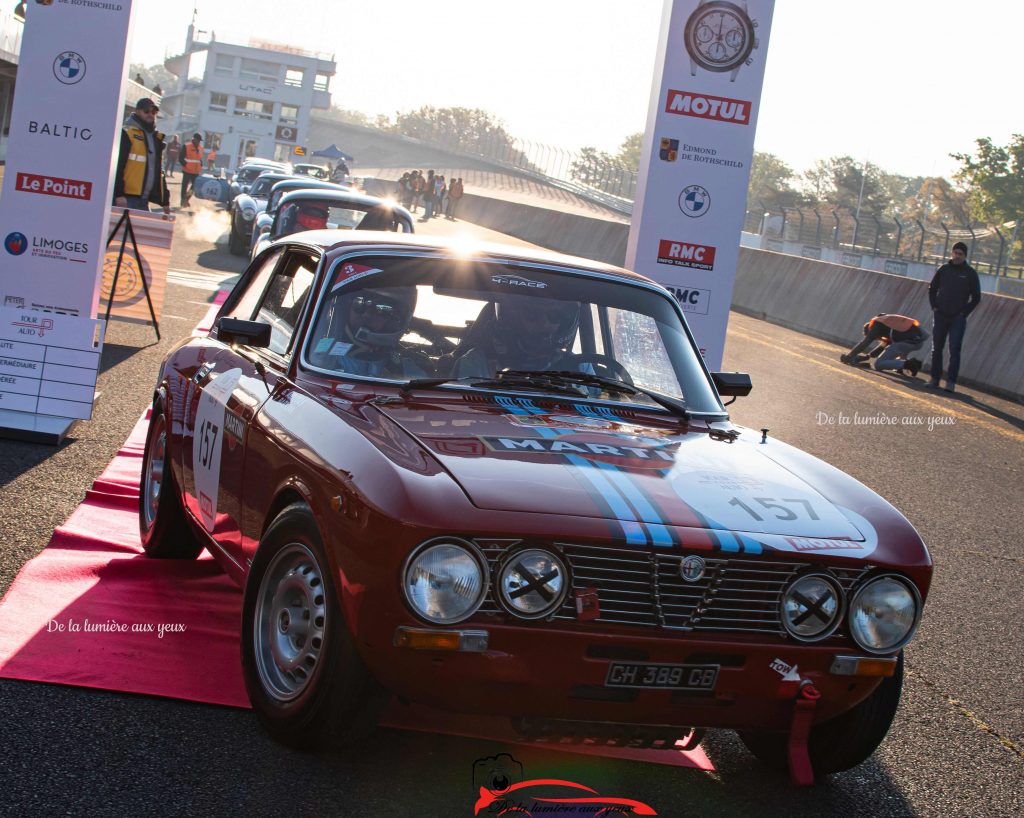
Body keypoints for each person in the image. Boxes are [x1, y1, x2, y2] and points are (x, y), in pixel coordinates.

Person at [452, 294, 581, 378]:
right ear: (511, 317)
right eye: (532, 314)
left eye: (555, 315)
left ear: (564, 322)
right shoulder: (476, 363)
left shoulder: (579, 367)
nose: (544, 323)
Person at [310, 286, 428, 378]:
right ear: (347, 307)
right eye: (359, 303)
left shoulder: (409, 374)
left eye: (382, 309)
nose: (366, 314)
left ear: (396, 319)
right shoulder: (316, 356)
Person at [926, 241, 981, 392]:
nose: (957, 256)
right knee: (936, 348)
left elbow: (976, 297)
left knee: (954, 349)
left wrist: (964, 313)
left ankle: (951, 382)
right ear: (952, 253)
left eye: (960, 254)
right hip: (940, 315)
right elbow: (932, 289)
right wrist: (935, 307)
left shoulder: (970, 273)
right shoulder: (943, 269)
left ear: (965, 256)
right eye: (955, 253)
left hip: (957, 318)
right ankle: (934, 379)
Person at [112, 98, 169, 214]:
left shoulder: (156, 138)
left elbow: (159, 171)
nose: (150, 115)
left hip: (144, 199)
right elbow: (117, 166)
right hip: (127, 198)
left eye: (153, 112)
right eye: (146, 111)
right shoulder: (127, 133)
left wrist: (165, 201)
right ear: (137, 111)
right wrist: (119, 195)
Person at [840, 314, 928, 376]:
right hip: (918, 341)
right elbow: (882, 347)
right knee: (891, 355)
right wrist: (867, 356)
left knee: (879, 364)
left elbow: (865, 343)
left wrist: (850, 356)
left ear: (869, 331)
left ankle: (909, 364)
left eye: (873, 337)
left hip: (909, 341)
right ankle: (914, 363)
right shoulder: (885, 323)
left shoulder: (875, 326)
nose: (877, 339)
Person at [179, 133, 205, 207]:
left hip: (196, 172)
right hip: (187, 170)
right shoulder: (186, 146)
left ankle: (186, 199)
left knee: (194, 187)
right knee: (184, 187)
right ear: (194, 139)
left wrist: (201, 164)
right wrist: (186, 165)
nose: (199, 142)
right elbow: (180, 158)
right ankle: (182, 201)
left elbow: (199, 158)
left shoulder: (201, 148)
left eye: (200, 141)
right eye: (198, 140)